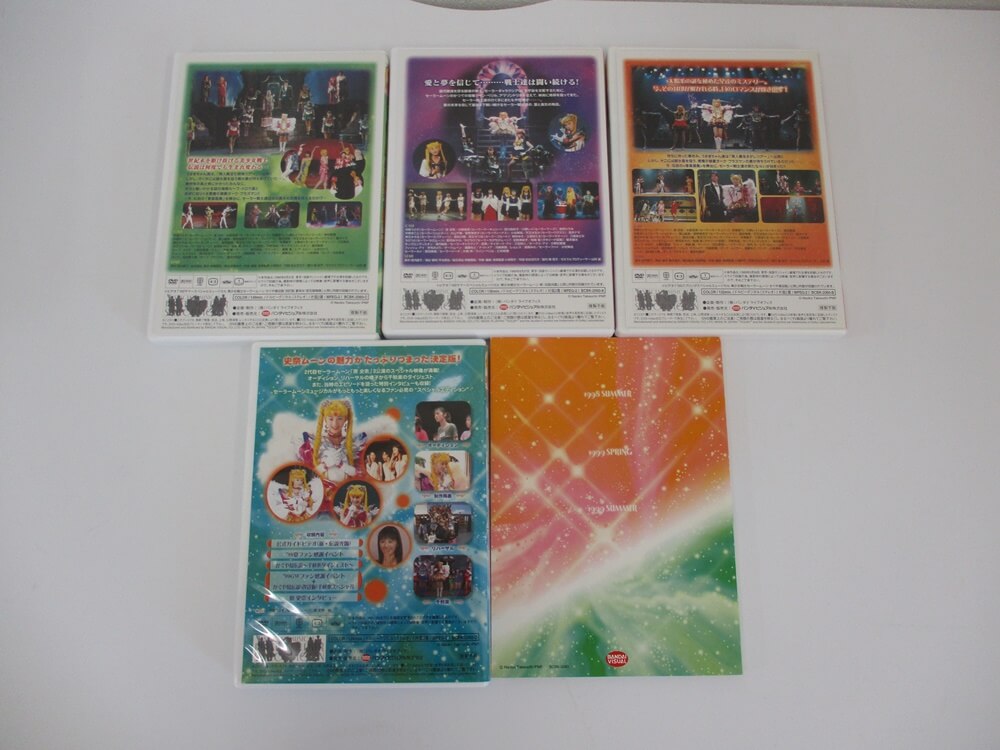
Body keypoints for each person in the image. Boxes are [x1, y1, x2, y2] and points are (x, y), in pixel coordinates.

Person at [304, 399, 356, 483]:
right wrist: (326, 464)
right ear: (325, 419)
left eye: (339, 418)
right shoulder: (317, 443)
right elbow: (310, 475)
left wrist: (341, 464)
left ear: (345, 419)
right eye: (331, 419)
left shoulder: (352, 443)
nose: (335, 424)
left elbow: (357, 473)